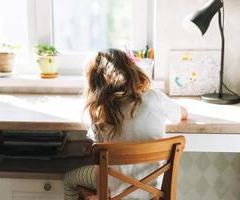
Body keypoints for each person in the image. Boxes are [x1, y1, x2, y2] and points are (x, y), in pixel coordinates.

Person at [64, 48, 188, 200]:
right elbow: (182, 113)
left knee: (69, 179)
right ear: (132, 71)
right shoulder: (154, 98)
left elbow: (99, 168)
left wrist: (100, 195)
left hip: (115, 194)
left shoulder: (99, 115)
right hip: (151, 192)